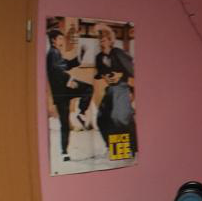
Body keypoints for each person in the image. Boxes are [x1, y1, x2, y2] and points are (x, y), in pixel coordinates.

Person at [45, 27, 93, 162]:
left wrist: (81, 53)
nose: (62, 40)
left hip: (61, 93)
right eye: (60, 38)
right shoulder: (52, 53)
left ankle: (64, 153)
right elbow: (57, 70)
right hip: (64, 91)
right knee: (88, 88)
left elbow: (67, 64)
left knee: (64, 124)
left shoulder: (56, 54)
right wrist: (70, 80)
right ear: (54, 40)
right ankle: (81, 112)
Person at [92, 24, 136, 157]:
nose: (102, 41)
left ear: (111, 40)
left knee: (119, 118)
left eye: (105, 39)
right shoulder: (99, 57)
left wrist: (120, 75)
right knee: (101, 118)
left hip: (122, 88)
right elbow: (100, 73)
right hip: (110, 90)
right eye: (100, 39)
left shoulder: (118, 52)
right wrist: (104, 76)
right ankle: (113, 147)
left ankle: (132, 148)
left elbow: (132, 70)